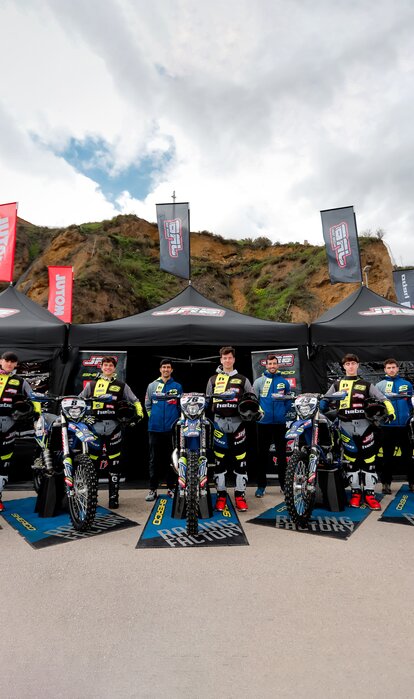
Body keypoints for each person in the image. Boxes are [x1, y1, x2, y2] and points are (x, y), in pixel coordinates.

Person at [321, 353, 395, 510]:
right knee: (351, 461)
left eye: (353, 363)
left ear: (358, 365)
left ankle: (369, 494)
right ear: (343, 367)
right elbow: (325, 399)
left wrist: (390, 412)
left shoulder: (367, 384)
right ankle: (355, 493)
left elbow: (384, 399)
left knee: (369, 461)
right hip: (344, 427)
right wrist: (319, 408)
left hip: (365, 426)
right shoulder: (336, 384)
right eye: (347, 364)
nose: (351, 366)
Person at [79, 355, 143, 509]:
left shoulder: (122, 385)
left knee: (114, 462)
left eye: (110, 365)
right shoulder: (92, 385)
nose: (107, 368)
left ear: (114, 368)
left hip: (114, 427)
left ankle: (114, 497)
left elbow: (135, 401)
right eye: (105, 365)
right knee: (92, 462)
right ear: (101, 367)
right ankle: (90, 497)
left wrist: (139, 414)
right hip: (94, 427)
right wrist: (84, 418)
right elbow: (79, 401)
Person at [206, 346, 254, 512]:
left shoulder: (243, 379)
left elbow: (253, 400)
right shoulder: (212, 379)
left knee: (240, 460)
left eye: (230, 358)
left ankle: (240, 496)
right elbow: (207, 402)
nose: (227, 360)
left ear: (234, 359)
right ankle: (221, 496)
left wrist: (257, 412)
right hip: (219, 423)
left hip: (238, 423)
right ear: (221, 360)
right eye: (224, 358)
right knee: (219, 461)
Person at [0, 351, 40, 512]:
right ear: (1, 361)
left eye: (12, 362)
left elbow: (33, 399)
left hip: (9, 426)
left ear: (16, 364)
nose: (9, 364)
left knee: (3, 464)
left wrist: (37, 417)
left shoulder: (20, 381)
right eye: (6, 361)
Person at [253, 354, 292, 497]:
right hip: (263, 423)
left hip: (280, 423)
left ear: (278, 365)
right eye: (270, 364)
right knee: (261, 455)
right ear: (266, 365)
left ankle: (284, 485)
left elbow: (288, 400)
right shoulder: (259, 382)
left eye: (274, 363)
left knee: (282, 456)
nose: (272, 366)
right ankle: (261, 486)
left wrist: (283, 413)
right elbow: (254, 401)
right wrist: (261, 414)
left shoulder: (284, 382)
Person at [145, 359, 182, 502]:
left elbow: (180, 407)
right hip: (154, 428)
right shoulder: (152, 386)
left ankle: (171, 488)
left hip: (172, 430)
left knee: (172, 460)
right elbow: (147, 406)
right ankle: (152, 489)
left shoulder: (177, 386)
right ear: (160, 369)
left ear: (171, 370)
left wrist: (176, 421)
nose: (166, 369)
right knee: (154, 460)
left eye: (168, 367)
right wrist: (154, 418)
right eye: (164, 367)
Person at [375, 358, 413, 494]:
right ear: (385, 370)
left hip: (404, 426)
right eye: (388, 368)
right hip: (387, 427)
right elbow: (377, 406)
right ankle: (386, 484)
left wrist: (409, 417)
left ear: (398, 368)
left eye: (393, 367)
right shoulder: (379, 386)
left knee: (408, 456)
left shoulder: (407, 384)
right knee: (387, 457)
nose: (391, 370)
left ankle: (412, 482)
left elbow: (410, 403)